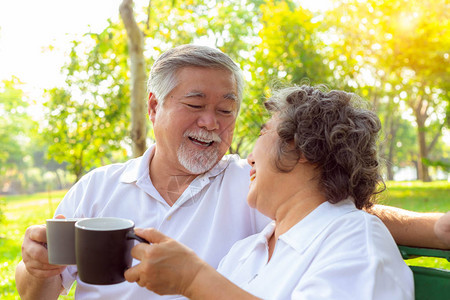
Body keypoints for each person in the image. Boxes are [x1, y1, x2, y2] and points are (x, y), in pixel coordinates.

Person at [15, 44, 445, 300]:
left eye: (227, 110)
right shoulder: (98, 188)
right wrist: (36, 271)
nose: (212, 123)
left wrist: (438, 229)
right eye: (196, 105)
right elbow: (41, 291)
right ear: (153, 107)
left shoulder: (251, 184)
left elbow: (330, 212)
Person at [123, 85, 414, 299]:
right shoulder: (245, 252)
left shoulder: (356, 239)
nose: (249, 158)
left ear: (301, 148)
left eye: (264, 133)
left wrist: (193, 278)